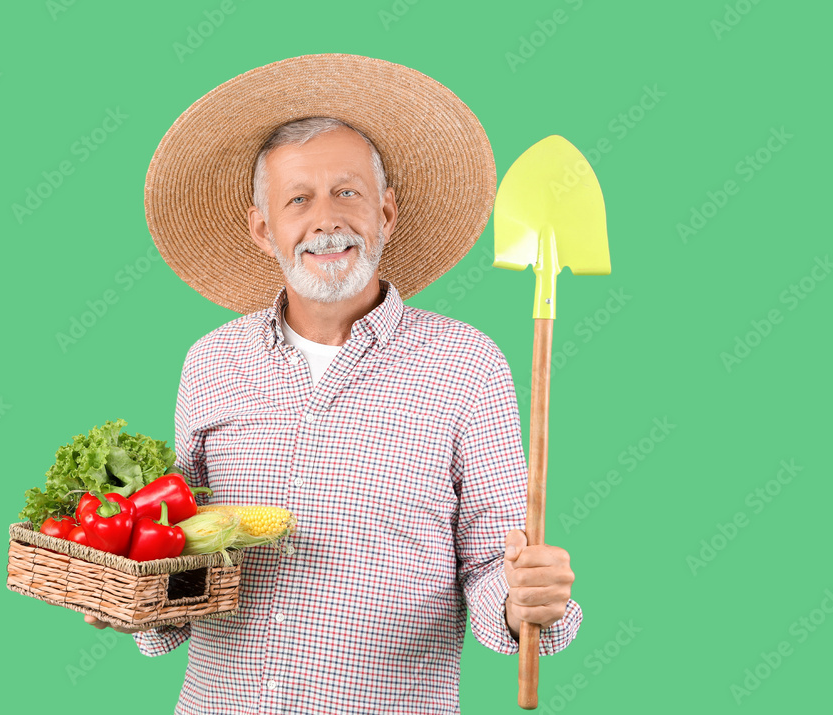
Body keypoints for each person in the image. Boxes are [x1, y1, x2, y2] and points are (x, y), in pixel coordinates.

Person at [86, 54, 581, 714]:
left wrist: (525, 604)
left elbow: (494, 560)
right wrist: (133, 597)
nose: (326, 219)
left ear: (387, 211)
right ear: (265, 229)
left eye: (348, 192)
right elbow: (186, 556)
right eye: (299, 199)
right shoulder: (211, 362)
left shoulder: (469, 363)